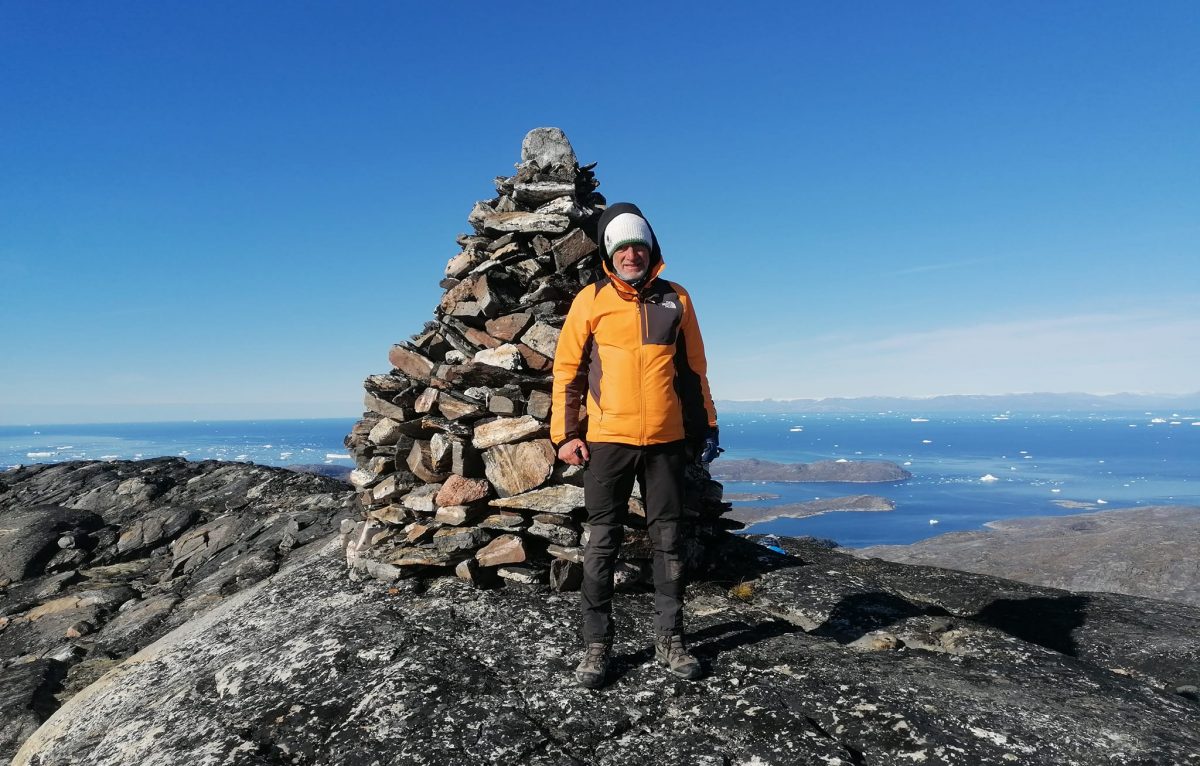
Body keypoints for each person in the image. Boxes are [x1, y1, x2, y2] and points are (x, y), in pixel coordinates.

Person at [551, 202, 720, 689]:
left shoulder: (677, 299)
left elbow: (693, 372)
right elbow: (568, 372)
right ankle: (596, 647)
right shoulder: (591, 300)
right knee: (602, 542)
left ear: (651, 249)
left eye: (638, 245)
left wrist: (705, 426)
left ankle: (671, 639)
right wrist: (565, 435)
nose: (631, 253)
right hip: (606, 441)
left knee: (669, 542)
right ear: (608, 252)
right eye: (622, 246)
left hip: (665, 441)